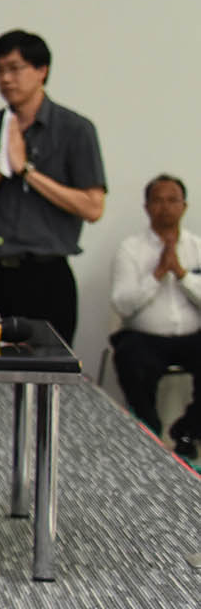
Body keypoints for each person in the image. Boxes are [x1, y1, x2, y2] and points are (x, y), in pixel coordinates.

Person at [0, 31, 106, 341]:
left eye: (15, 68)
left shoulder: (75, 129)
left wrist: (26, 171)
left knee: (45, 363)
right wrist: (0, 168)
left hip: (45, 275)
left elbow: (93, 207)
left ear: (41, 70)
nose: (6, 79)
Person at [108, 174, 201, 457]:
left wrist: (182, 274)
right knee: (130, 359)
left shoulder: (197, 246)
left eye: (172, 200)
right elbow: (123, 305)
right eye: (158, 201)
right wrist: (157, 273)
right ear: (147, 207)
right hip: (144, 338)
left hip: (192, 337)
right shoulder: (130, 249)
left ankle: (188, 431)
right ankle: (149, 435)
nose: (165, 207)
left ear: (184, 206)